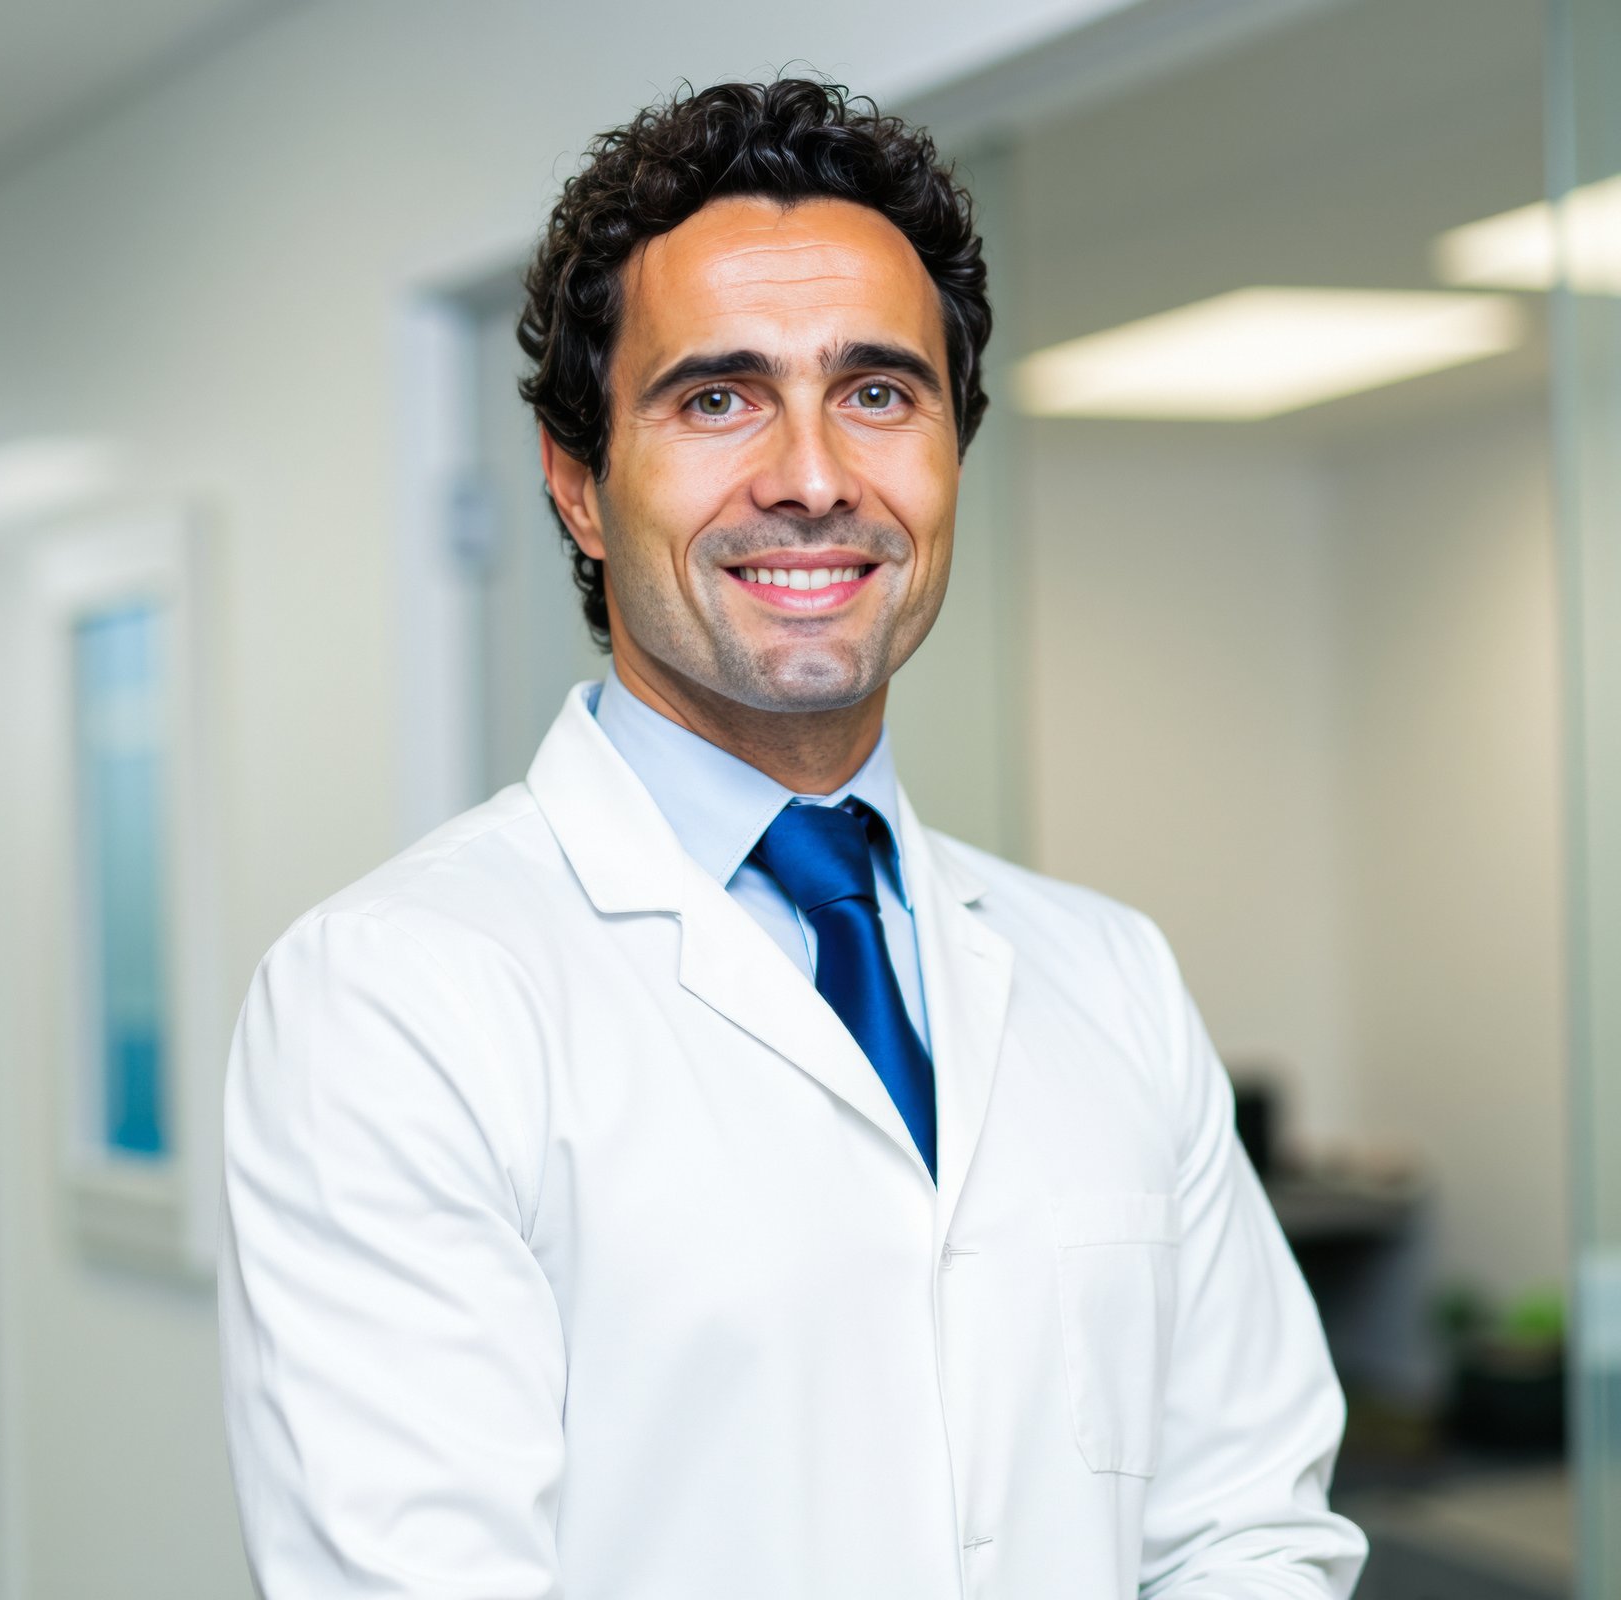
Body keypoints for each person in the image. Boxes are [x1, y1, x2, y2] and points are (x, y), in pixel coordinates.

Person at [218, 77, 1366, 1597]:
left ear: (953, 453)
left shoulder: (1110, 977)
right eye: (718, 397)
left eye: (879, 393)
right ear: (576, 483)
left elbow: (1247, 1525)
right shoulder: (392, 1001)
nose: (815, 477)